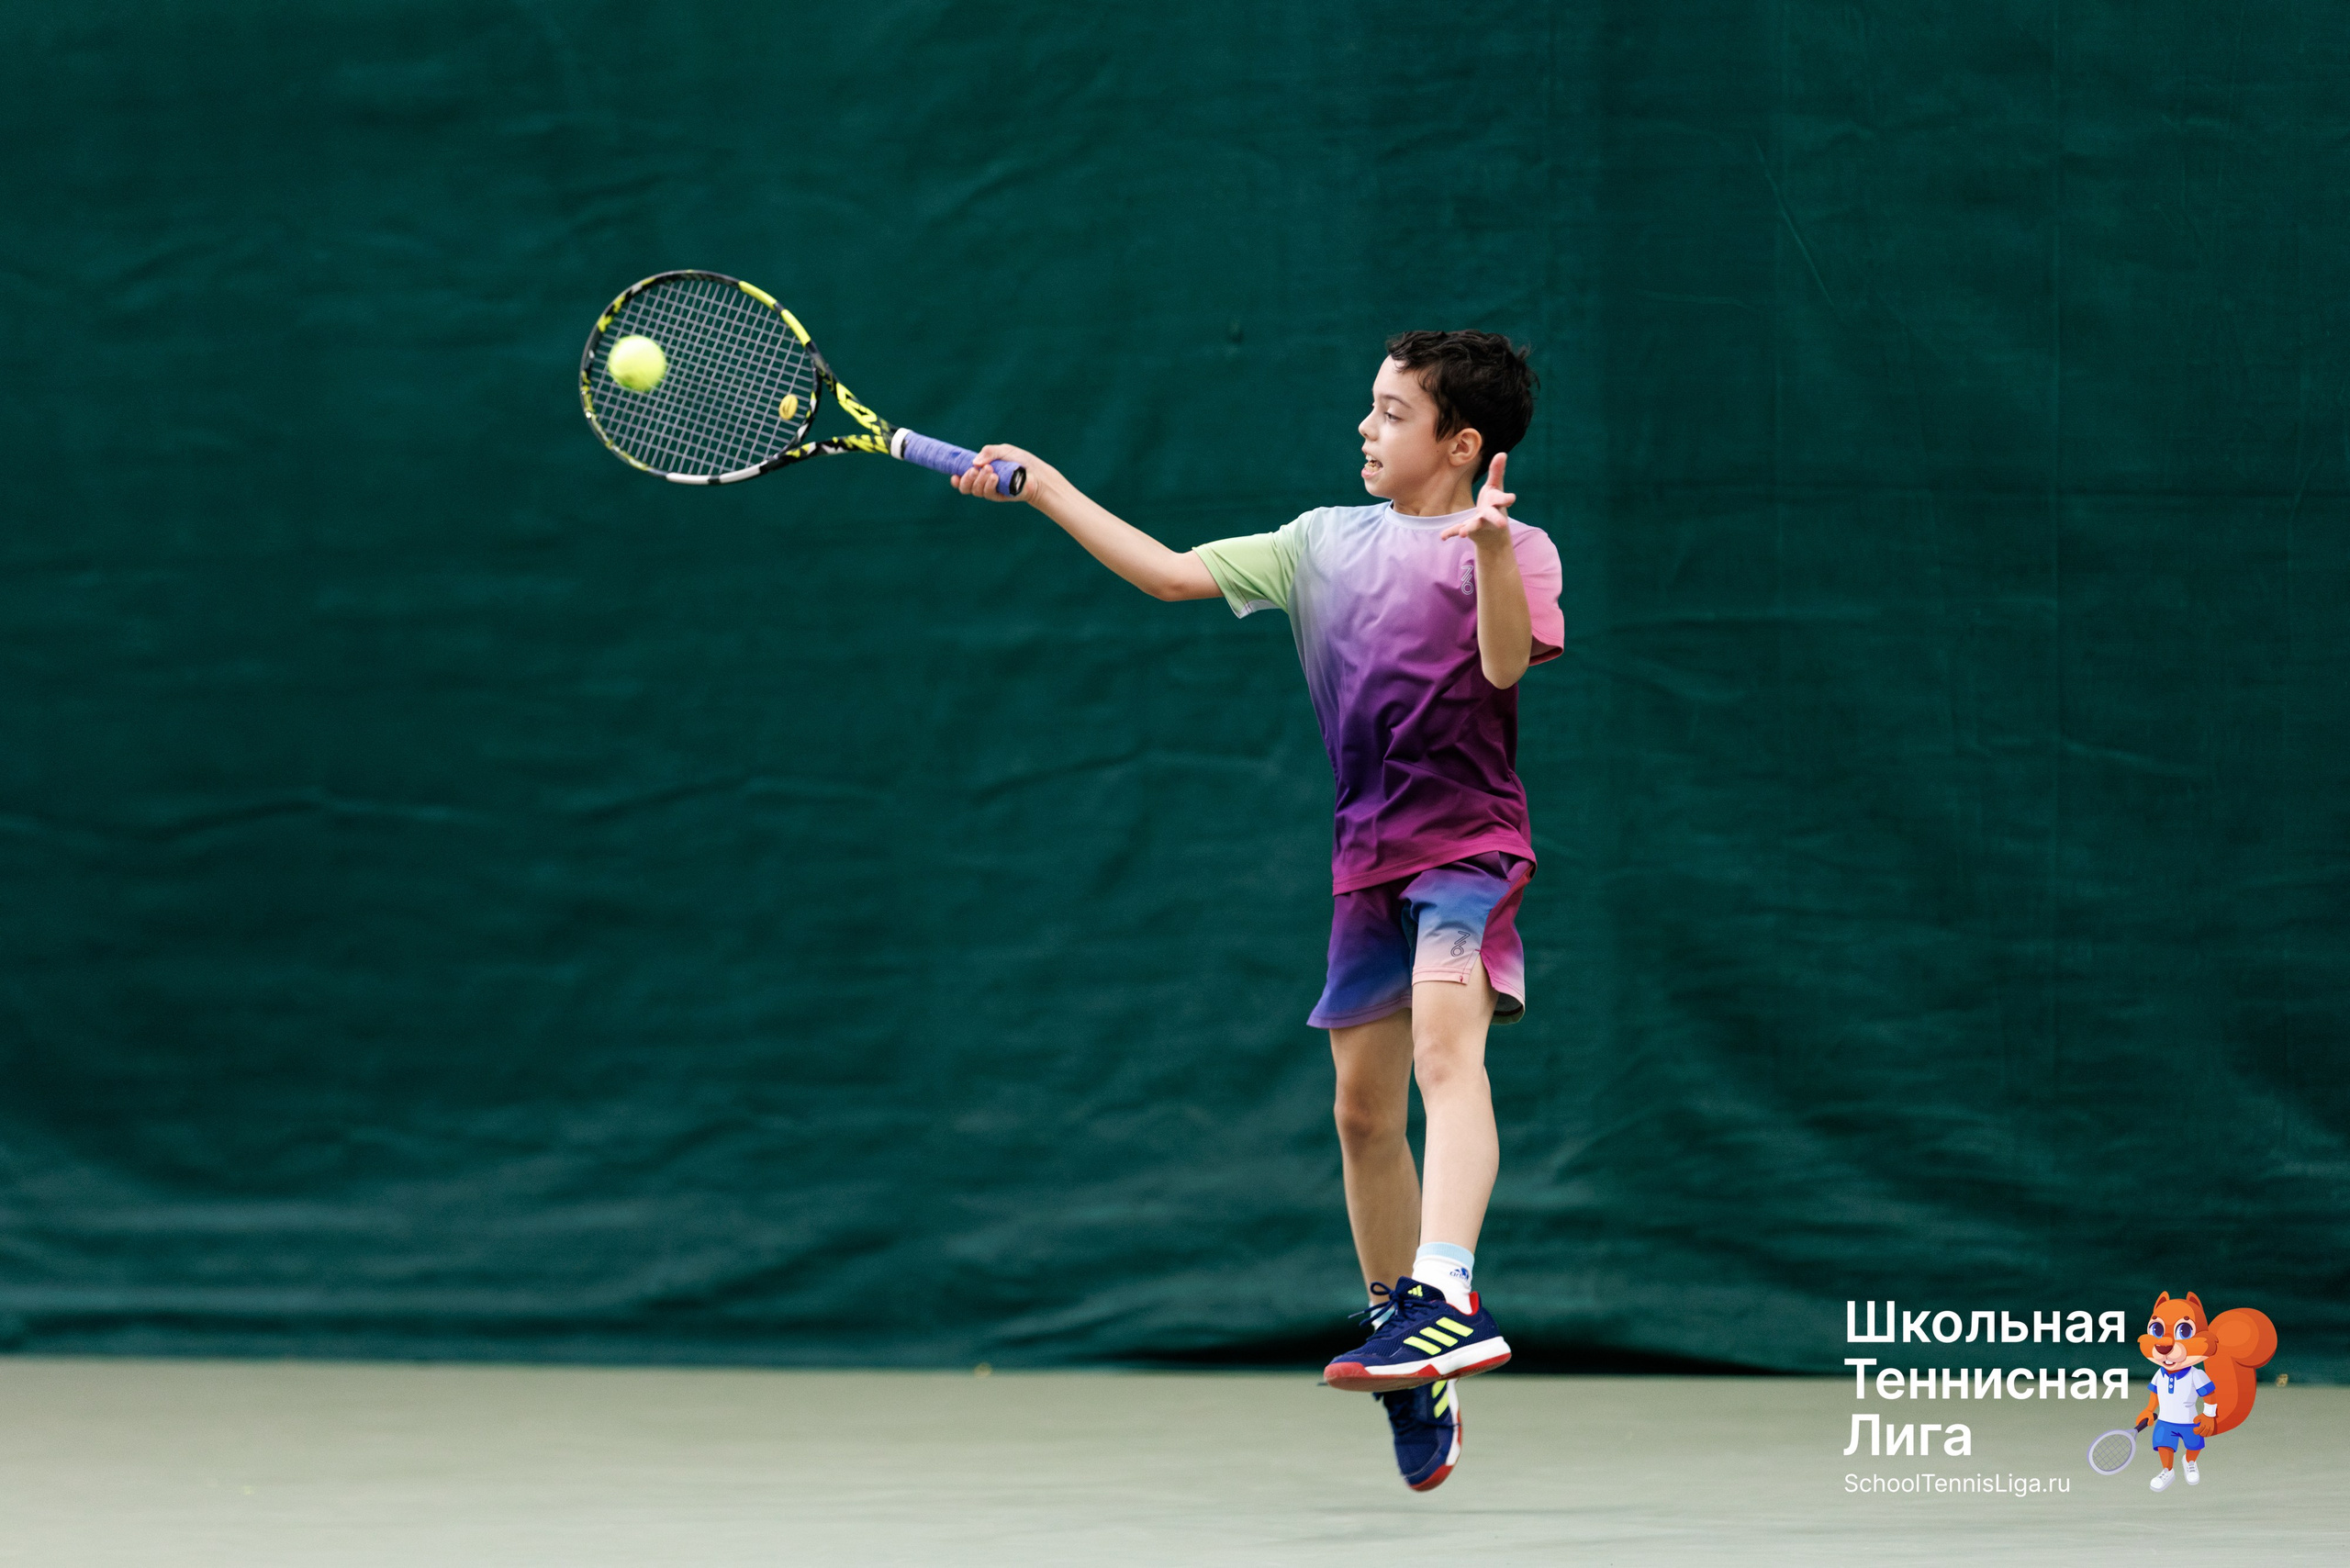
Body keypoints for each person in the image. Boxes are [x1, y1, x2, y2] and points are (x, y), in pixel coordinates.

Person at [949, 330, 1561, 1493]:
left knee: (1446, 1048)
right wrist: (1048, 485)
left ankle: (1445, 1290)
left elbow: (1499, 666)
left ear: (1460, 443)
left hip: (1468, 850)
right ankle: (1408, 1352)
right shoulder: (1318, 543)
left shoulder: (1518, 545)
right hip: (1364, 862)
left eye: (1391, 414)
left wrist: (1482, 551)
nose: (1366, 430)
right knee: (1361, 1116)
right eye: (1369, 409)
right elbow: (1171, 572)